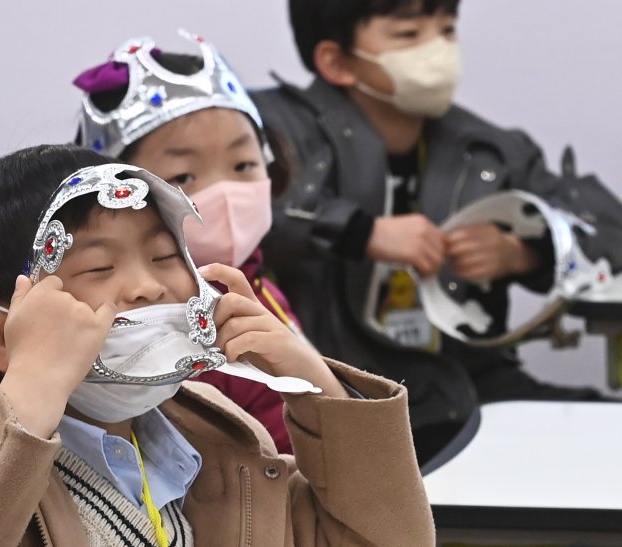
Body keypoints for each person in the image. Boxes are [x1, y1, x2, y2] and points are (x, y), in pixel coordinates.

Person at [0, 145, 434, 546]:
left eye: (166, 256)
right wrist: (32, 386)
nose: (147, 286)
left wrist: (322, 394)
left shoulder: (213, 445)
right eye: (96, 269)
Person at [250, 0, 620, 464]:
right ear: (336, 61)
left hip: (470, 389)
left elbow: (608, 232)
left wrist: (527, 250)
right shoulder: (261, 130)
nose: (438, 49)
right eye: (408, 35)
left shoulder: (486, 148)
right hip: (334, 399)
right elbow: (214, 213)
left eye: (447, 30)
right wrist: (360, 232)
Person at [72, 32, 302, 453]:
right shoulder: (143, 326)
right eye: (182, 177)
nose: (226, 192)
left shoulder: (263, 289)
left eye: (243, 164)